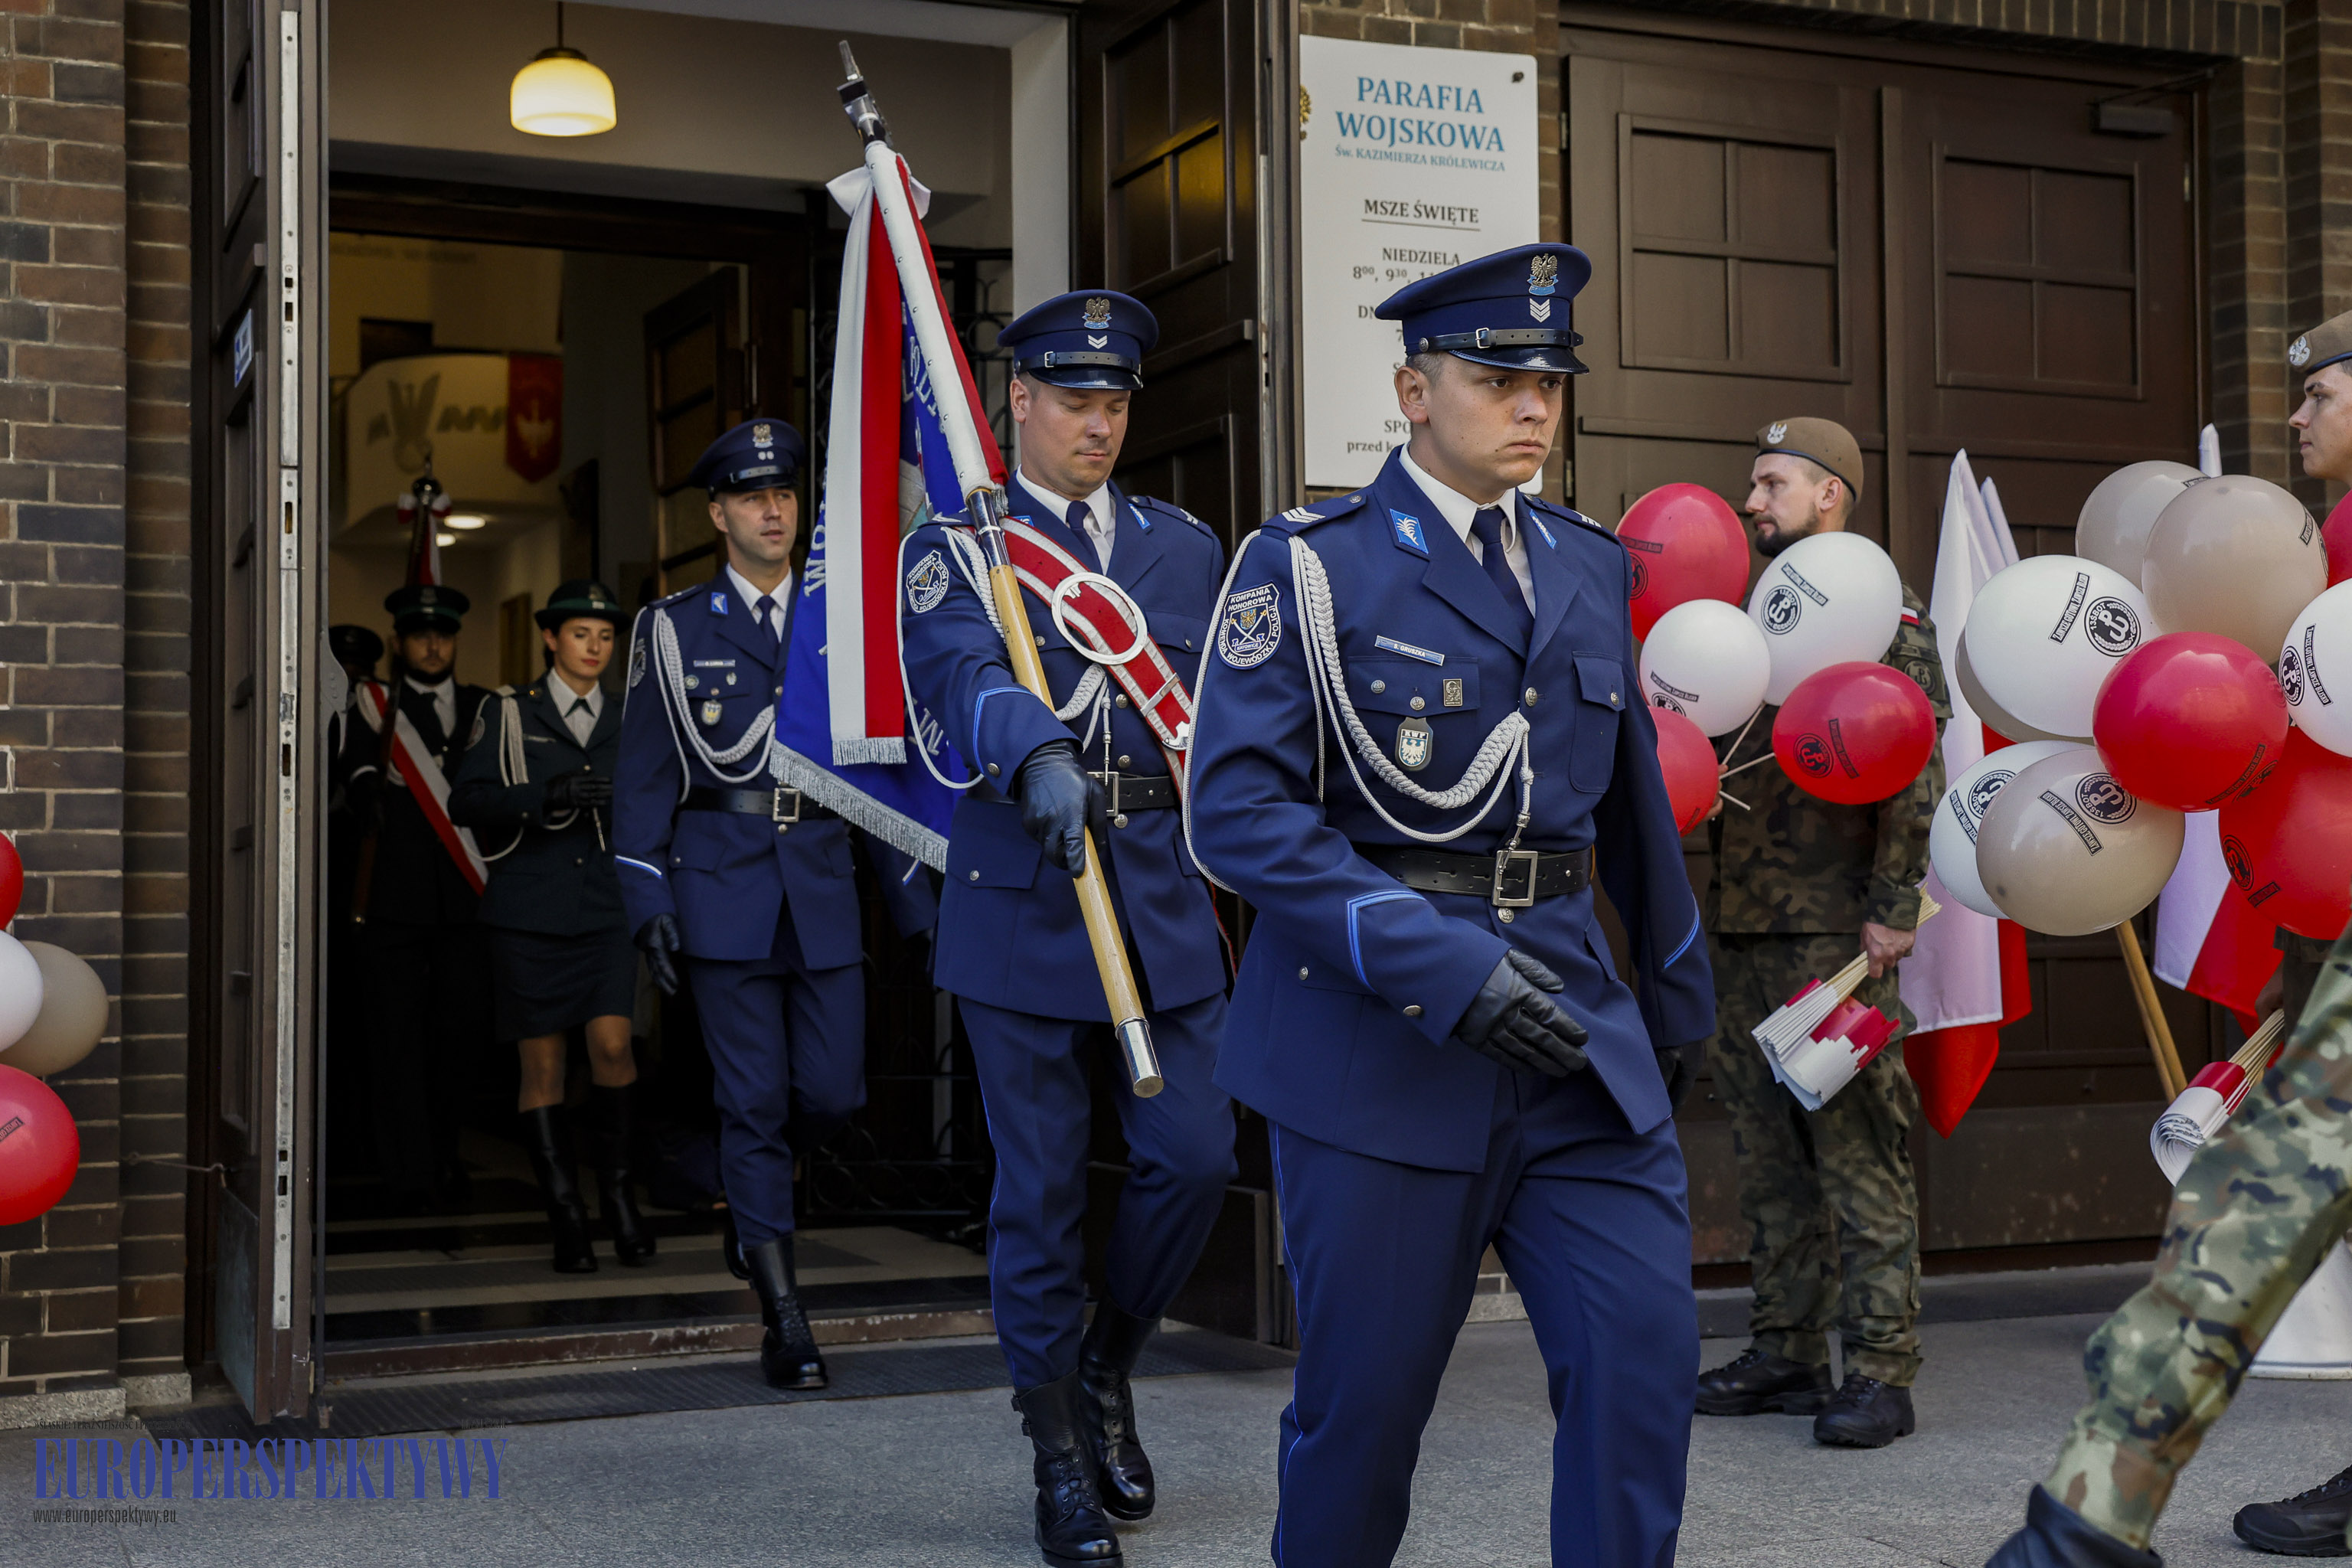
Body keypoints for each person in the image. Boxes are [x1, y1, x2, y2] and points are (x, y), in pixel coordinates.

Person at [1184, 243, 1714, 1567]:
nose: (1533, 405)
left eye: (1551, 382)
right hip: (1378, 1044)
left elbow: (1629, 804)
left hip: (1574, 1041)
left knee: (1642, 1368)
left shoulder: (1589, 563)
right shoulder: (1310, 565)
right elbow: (1236, 814)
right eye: (1497, 378)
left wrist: (1677, 992)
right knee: (1362, 1418)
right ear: (1414, 391)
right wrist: (1438, 967)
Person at [1983, 312, 2352, 1568]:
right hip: (2327, 909)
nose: (2294, 416)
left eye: (2320, 392)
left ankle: (2088, 1516)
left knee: (2273, 1186)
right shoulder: (2319, 542)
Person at [895, 287, 1236, 1568]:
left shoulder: (1181, 546)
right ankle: (1054, 1454)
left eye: (1115, 404)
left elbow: (1223, 706)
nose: (1100, 424)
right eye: (1075, 401)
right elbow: (962, 672)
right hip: (1025, 892)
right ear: (1020, 401)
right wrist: (1034, 750)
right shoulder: (956, 546)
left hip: (1157, 893)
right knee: (1036, 1191)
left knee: (1194, 1153)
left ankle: (1106, 1365)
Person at [1690, 416, 1948, 1449]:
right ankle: (1788, 1348)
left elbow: (1915, 766)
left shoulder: (1884, 615)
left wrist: (1892, 906)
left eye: (1772, 484)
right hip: (1745, 925)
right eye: (1754, 484)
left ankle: (1881, 1367)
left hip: (1837, 938)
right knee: (1767, 1154)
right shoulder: (1748, 616)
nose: (1752, 502)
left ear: (1829, 493)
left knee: (1856, 1148)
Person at [612, 418, 865, 1392]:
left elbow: (880, 768)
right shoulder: (674, 628)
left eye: (785, 494)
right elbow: (644, 776)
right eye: (753, 497)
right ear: (718, 514)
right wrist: (647, 899)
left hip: (823, 888)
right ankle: (785, 1316)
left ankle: (747, 1192)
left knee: (832, 1092)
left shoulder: (840, 618)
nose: (773, 511)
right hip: (720, 889)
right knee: (751, 1102)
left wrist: (923, 902)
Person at [449, 580, 649, 1276]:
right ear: (550, 638)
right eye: (580, 634)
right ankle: (566, 1215)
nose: (594, 647)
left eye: (606, 636)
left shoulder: (630, 713)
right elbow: (465, 801)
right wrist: (545, 796)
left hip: (607, 907)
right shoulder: (509, 711)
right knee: (543, 1066)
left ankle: (619, 1200)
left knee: (614, 1047)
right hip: (530, 911)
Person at [336, 582, 496, 1213]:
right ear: (398, 642)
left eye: (444, 634)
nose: (433, 644)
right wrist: (366, 786)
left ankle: (450, 1156)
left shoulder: (486, 706)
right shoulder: (374, 705)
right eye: (420, 635)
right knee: (395, 1040)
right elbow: (354, 763)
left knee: (458, 1040)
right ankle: (405, 1170)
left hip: (466, 902)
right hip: (394, 902)